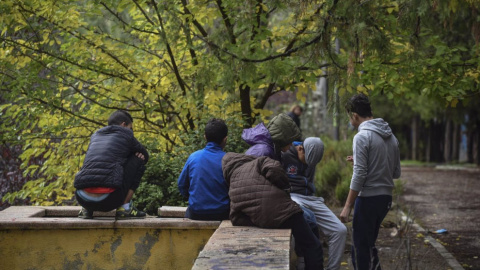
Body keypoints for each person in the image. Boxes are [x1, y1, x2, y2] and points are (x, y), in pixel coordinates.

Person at [222, 152, 324, 270]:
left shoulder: (233, 186)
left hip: (266, 220)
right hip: (285, 210)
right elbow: (274, 168)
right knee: (312, 245)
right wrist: (284, 188)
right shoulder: (257, 162)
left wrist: (258, 219)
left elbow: (236, 218)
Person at [339, 94, 401, 270]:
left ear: (355, 116)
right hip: (385, 200)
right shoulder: (392, 137)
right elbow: (395, 173)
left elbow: (359, 174)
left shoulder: (362, 137)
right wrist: (368, 161)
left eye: (349, 116)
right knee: (368, 246)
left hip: (367, 200)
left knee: (360, 251)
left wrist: (347, 206)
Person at [282, 137, 347, 270]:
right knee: (301, 221)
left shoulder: (312, 157)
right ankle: (300, 261)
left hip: (311, 198)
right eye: (306, 160)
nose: (309, 165)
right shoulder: (285, 154)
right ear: (300, 149)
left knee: (340, 230)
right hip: (292, 196)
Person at [74, 110, 149, 219]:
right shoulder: (126, 134)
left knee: (93, 161)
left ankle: (86, 210)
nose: (131, 131)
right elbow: (145, 155)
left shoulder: (95, 136)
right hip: (109, 199)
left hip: (82, 198)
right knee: (138, 158)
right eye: (130, 128)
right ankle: (125, 208)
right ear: (123, 125)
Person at [177, 118, 230, 221]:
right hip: (222, 213)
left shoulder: (193, 157)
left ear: (205, 137)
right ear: (225, 139)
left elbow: (182, 185)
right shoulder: (229, 160)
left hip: (196, 212)